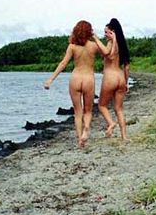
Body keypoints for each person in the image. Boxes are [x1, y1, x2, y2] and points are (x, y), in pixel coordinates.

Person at [44, 20, 105, 148]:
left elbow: (63, 64)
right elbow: (106, 53)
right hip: (88, 79)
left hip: (75, 78)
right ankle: (86, 128)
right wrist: (96, 37)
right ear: (89, 31)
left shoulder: (72, 46)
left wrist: (51, 79)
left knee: (78, 112)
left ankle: (80, 140)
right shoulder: (94, 46)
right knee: (88, 111)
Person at [97, 18, 131, 141]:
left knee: (102, 105)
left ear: (113, 32)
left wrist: (111, 39)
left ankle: (111, 123)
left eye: (107, 32)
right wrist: (126, 83)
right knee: (119, 109)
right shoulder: (123, 46)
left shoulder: (111, 43)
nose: (105, 35)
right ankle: (124, 137)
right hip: (120, 77)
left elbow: (110, 55)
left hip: (110, 77)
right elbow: (127, 67)